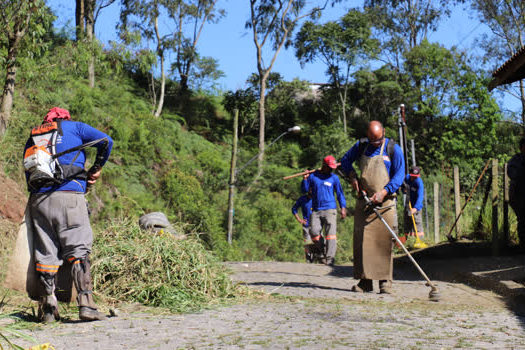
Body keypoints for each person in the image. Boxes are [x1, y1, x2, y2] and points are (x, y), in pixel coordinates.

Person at [23, 107, 113, 322]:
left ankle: (48, 307)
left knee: (46, 251)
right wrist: (96, 167)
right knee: (78, 246)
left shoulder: (34, 135)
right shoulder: (76, 127)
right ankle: (86, 304)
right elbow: (106, 141)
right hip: (70, 195)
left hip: (39, 200)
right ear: (65, 117)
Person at [340, 120, 405, 294]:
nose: (375, 143)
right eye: (372, 141)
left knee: (385, 242)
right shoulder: (361, 146)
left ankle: (385, 281)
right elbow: (344, 161)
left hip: (385, 202)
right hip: (365, 201)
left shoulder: (393, 149)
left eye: (378, 140)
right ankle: (365, 281)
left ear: (383, 132)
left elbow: (400, 175)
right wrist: (352, 177)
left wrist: (384, 192)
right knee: (362, 242)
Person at [301, 155, 347, 266]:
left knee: (331, 235)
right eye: (329, 167)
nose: (331, 169)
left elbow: (340, 193)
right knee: (314, 232)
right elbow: (305, 190)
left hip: (330, 209)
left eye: (332, 167)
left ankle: (330, 259)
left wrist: (343, 207)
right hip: (316, 209)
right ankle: (322, 252)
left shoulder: (334, 178)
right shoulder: (313, 176)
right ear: (324, 165)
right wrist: (305, 179)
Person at [508, 136, 525, 250]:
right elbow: (513, 174)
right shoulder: (516, 160)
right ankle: (523, 245)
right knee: (523, 220)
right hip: (519, 196)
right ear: (521, 148)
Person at [291, 190, 314, 262]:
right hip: (306, 224)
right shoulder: (302, 199)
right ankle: (308, 258)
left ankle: (320, 256)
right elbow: (294, 209)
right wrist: (299, 219)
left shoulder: (318, 197)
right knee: (307, 242)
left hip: (316, 224)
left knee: (318, 240)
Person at [403, 166, 425, 238]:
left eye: (416, 176)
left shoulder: (419, 183)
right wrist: (404, 189)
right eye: (412, 176)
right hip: (408, 204)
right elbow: (402, 186)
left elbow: (420, 196)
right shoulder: (407, 178)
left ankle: (420, 241)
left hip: (416, 206)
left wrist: (415, 208)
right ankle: (407, 241)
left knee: (417, 224)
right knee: (407, 224)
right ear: (410, 174)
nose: (414, 178)